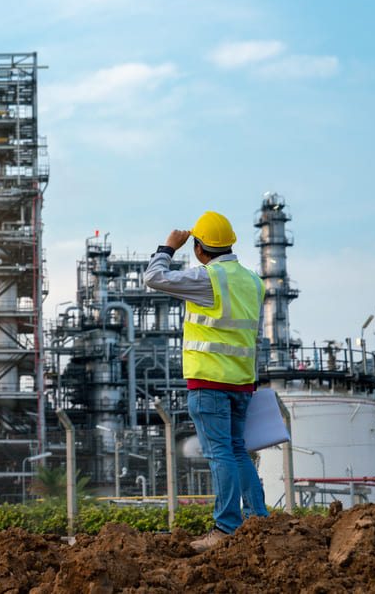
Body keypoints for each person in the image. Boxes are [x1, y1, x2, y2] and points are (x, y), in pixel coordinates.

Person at [144, 211, 269, 553]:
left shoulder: (208, 278)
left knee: (219, 455)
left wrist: (167, 248)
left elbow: (154, 277)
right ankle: (259, 519)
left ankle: (227, 527)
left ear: (199, 248)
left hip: (209, 382)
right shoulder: (253, 281)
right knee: (237, 451)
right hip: (242, 382)